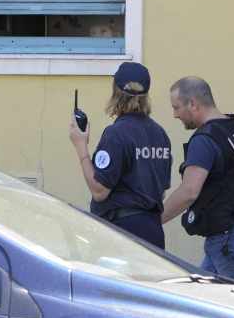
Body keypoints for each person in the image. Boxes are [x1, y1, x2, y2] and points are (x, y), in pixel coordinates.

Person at [160, 77, 234, 285]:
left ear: (193, 104)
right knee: (200, 298)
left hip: (230, 241)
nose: (175, 114)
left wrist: (155, 220)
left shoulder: (204, 140)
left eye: (176, 107)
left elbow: (189, 191)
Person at [69, 62, 172, 248]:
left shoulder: (116, 134)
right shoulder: (160, 133)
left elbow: (99, 191)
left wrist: (81, 146)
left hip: (122, 234)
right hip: (153, 230)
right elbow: (161, 190)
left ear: (115, 92)